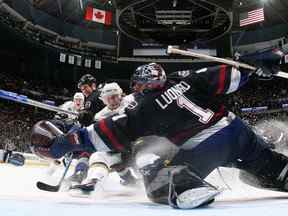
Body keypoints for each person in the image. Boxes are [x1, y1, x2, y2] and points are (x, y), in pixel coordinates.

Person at [30, 49, 288, 209]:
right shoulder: (189, 80)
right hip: (237, 129)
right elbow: (233, 74)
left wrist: (66, 142)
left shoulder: (144, 108)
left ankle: (183, 187)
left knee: (157, 176)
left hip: (210, 144)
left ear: (141, 85)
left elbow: (107, 132)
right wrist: (256, 63)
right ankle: (281, 171)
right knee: (267, 165)